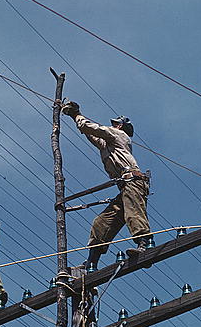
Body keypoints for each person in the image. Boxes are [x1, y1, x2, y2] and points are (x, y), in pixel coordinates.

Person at [61, 101, 151, 269]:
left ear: (121, 126)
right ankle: (91, 261)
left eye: (116, 123)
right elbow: (92, 135)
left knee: (133, 212)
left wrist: (76, 114)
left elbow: (93, 129)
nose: (113, 125)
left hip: (133, 181)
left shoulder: (120, 136)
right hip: (125, 184)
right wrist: (75, 118)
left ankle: (144, 245)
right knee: (101, 222)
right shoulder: (110, 143)